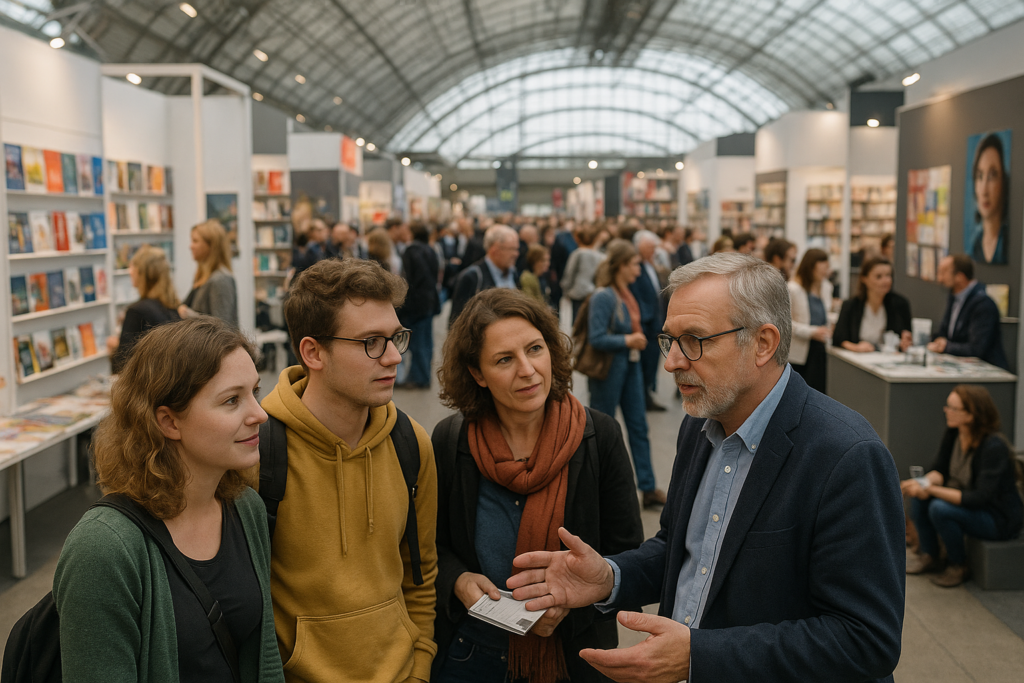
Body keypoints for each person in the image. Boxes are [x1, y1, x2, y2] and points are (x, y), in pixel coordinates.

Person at [507, 253, 905, 683]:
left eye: (695, 340)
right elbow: (686, 548)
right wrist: (609, 577)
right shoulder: (699, 426)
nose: (672, 362)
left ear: (763, 343)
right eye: (669, 339)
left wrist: (700, 656)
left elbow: (866, 639)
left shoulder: (845, 455)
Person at [430, 289, 644, 683]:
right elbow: (430, 547)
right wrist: (457, 580)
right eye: (504, 359)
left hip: (573, 657)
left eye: (535, 349)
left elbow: (628, 558)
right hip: (471, 655)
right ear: (477, 374)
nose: (527, 370)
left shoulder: (599, 436)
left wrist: (572, 603)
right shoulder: (451, 441)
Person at [54, 318, 285, 681]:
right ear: (168, 422)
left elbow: (262, 656)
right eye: (232, 400)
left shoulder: (245, 508)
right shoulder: (103, 549)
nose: (259, 414)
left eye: (255, 392)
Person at [261, 258, 438, 683]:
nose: (394, 356)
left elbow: (421, 573)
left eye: (395, 337)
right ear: (313, 352)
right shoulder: (261, 453)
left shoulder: (411, 444)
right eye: (371, 342)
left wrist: (419, 669)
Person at [903, 385, 1023, 587]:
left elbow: (980, 498)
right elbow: (939, 470)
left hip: (997, 518)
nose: (946, 411)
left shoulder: (994, 447)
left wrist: (929, 489)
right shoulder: (954, 433)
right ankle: (930, 555)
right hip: (969, 502)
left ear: (971, 415)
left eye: (953, 408)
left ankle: (958, 564)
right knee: (921, 498)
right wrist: (918, 483)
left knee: (939, 508)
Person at [586, 239, 665, 509]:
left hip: (630, 368)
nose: (639, 271)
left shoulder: (626, 293)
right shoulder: (604, 296)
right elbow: (596, 338)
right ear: (621, 265)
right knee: (603, 430)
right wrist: (627, 341)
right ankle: (598, 487)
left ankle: (648, 487)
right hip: (608, 371)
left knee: (639, 427)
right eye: (634, 264)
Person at [106, 245, 181, 373]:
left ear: (143, 273)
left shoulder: (137, 312)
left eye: (133, 267)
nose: (130, 272)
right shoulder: (173, 307)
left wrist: (114, 350)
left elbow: (122, 366)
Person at [927, 254, 1008, 369]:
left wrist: (947, 347)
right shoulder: (954, 297)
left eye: (944, 272)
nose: (940, 279)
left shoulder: (983, 304)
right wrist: (935, 341)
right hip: (960, 367)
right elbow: (945, 333)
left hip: (987, 373)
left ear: (960, 277)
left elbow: (977, 348)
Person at [833, 256, 912, 352]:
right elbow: (838, 338)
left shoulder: (900, 304)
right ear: (864, 279)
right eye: (879, 277)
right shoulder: (851, 305)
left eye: (888, 275)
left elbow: (906, 336)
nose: (885, 281)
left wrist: (905, 343)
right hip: (857, 359)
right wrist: (855, 347)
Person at [448, 224, 521, 327]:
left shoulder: (513, 273)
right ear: (494, 250)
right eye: (512, 249)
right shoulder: (472, 277)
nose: (516, 254)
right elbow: (456, 324)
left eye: (517, 249)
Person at [398, 221, 441, 389]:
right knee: (425, 341)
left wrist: (406, 301)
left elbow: (412, 278)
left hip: (417, 304)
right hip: (429, 301)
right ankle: (421, 375)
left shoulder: (411, 251)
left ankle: (419, 377)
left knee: (417, 343)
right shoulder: (430, 249)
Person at [629, 230, 667, 412]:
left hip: (655, 325)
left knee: (652, 364)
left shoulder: (649, 265)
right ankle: (644, 398)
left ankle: (648, 395)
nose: (654, 251)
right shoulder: (637, 268)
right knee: (645, 365)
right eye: (650, 248)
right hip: (647, 325)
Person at [787, 248, 833, 393]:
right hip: (799, 351)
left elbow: (826, 314)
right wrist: (811, 332)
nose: (824, 275)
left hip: (819, 349)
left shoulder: (826, 287)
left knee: (818, 392)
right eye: (821, 271)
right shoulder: (793, 289)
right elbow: (786, 323)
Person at [179, 219, 238, 325]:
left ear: (211, 245)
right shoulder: (202, 276)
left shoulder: (220, 280)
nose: (190, 246)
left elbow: (223, 326)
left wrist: (189, 315)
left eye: (195, 241)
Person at [968, 133, 1010, 265]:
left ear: (1003, 181)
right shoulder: (974, 245)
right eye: (980, 176)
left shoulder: (1009, 240)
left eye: (992, 176)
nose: (984, 190)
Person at [561, 227, 605, 323]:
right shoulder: (601, 256)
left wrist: (566, 290)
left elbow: (569, 273)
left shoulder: (577, 253)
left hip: (578, 291)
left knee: (577, 321)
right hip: (593, 291)